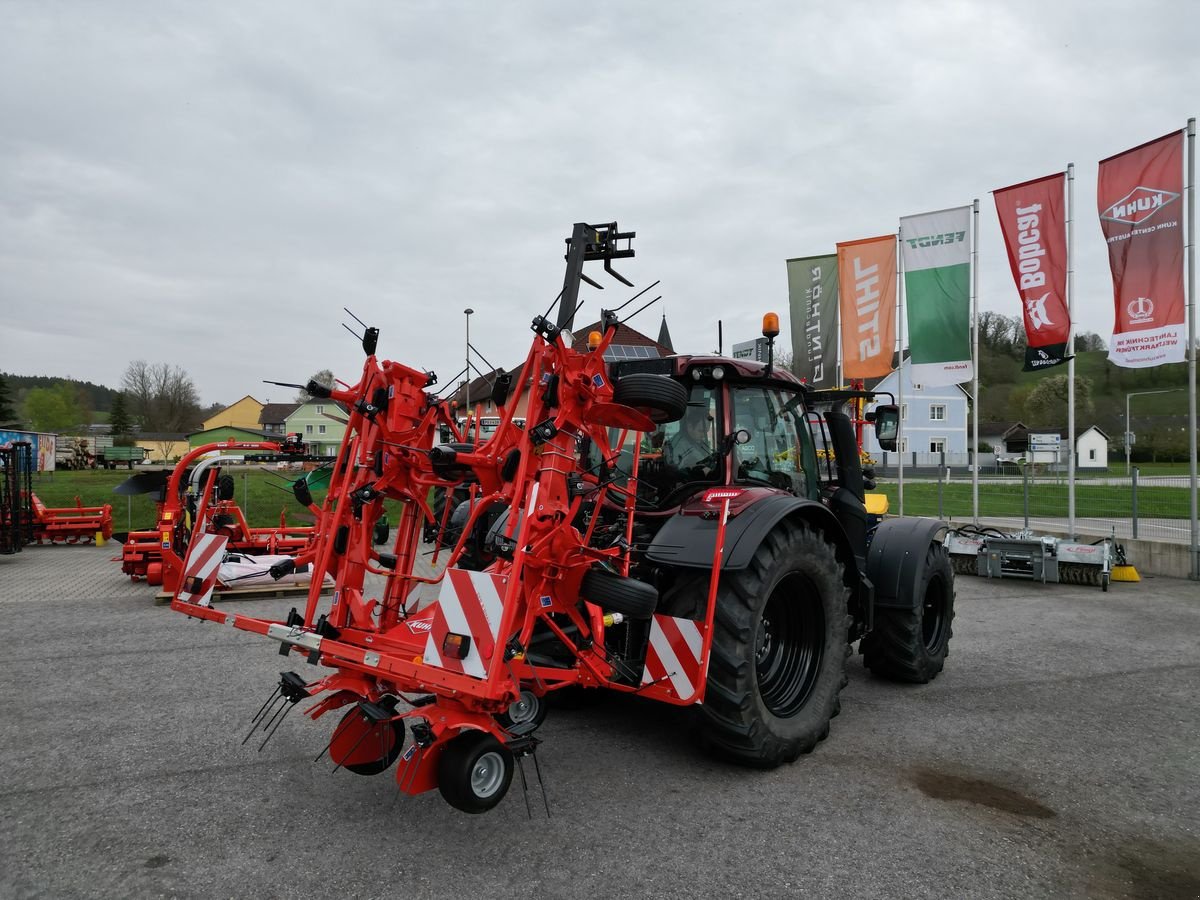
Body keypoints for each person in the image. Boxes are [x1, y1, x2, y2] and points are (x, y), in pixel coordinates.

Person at [666, 406, 713, 472]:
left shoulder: (697, 441)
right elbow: (675, 472)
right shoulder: (678, 445)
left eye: (706, 432)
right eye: (701, 431)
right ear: (690, 427)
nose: (704, 436)